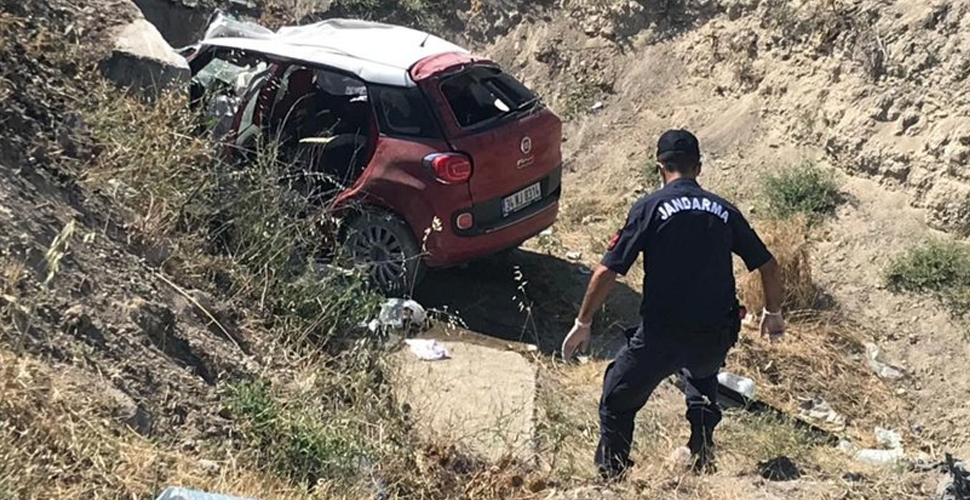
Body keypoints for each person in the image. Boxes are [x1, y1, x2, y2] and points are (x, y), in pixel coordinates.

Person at [561, 129, 786, 479]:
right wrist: (772, 313)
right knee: (703, 376)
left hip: (662, 335)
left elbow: (608, 271)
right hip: (715, 335)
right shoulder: (724, 210)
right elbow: (768, 265)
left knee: (617, 395)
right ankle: (701, 453)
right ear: (699, 167)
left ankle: (612, 475)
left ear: (660, 167)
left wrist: (583, 322)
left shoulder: (650, 208)